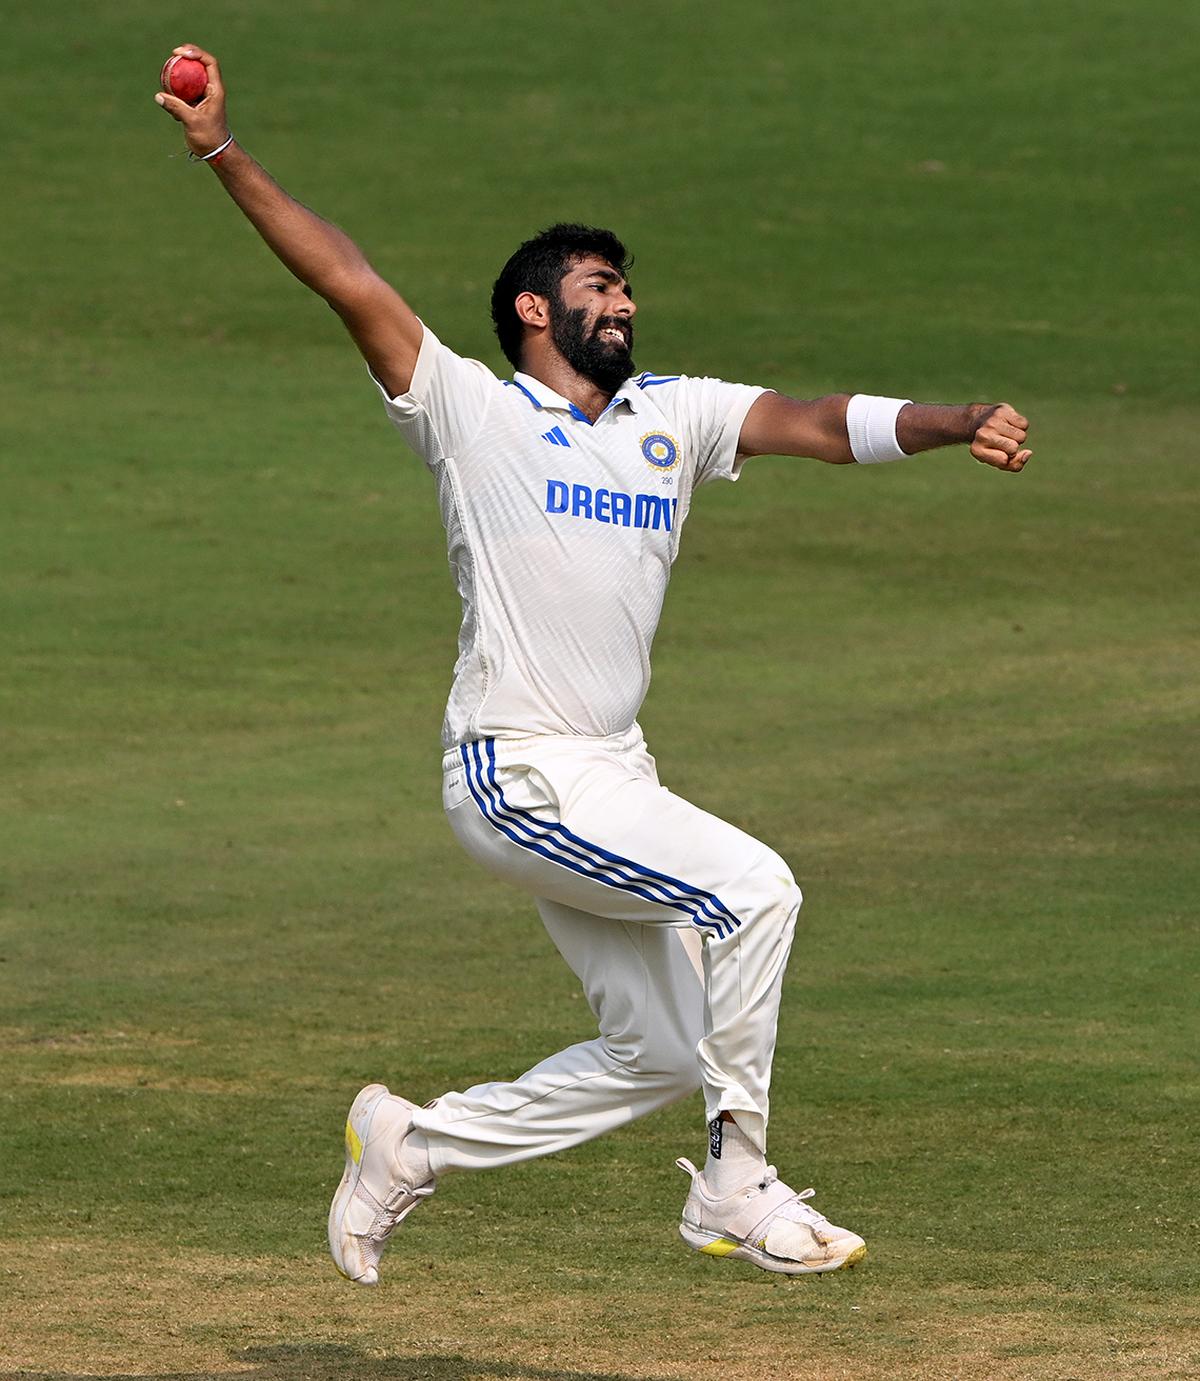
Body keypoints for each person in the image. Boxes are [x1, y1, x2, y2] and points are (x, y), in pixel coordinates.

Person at [156, 45, 1032, 1286]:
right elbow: (346, 279)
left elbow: (821, 424)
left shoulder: (674, 414)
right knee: (756, 891)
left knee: (665, 1051)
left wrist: (951, 424)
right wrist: (220, 150)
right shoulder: (471, 410)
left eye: (627, 289)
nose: (623, 305)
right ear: (534, 309)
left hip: (612, 772)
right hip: (519, 770)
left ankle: (410, 1142)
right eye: (599, 287)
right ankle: (735, 1181)